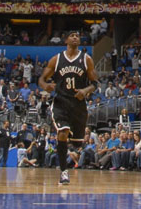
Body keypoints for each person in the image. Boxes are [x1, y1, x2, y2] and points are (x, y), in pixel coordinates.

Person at [39, 30, 98, 185]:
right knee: (62, 133)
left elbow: (95, 83)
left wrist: (85, 91)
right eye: (72, 35)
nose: (75, 37)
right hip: (60, 102)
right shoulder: (56, 59)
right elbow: (41, 78)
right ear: (66, 40)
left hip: (78, 105)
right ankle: (64, 172)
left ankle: (74, 161)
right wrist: (46, 86)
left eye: (77, 36)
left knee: (77, 143)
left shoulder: (86, 59)